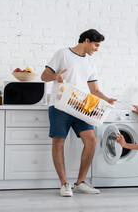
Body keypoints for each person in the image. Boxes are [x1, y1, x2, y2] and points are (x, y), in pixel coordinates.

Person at [41, 29, 117, 197]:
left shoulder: (90, 63)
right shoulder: (62, 54)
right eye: (96, 45)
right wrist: (56, 77)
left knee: (91, 140)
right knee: (59, 142)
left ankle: (80, 182)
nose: (97, 49)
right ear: (87, 40)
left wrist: (106, 99)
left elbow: (95, 89)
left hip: (81, 107)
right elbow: (44, 76)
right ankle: (64, 184)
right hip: (60, 104)